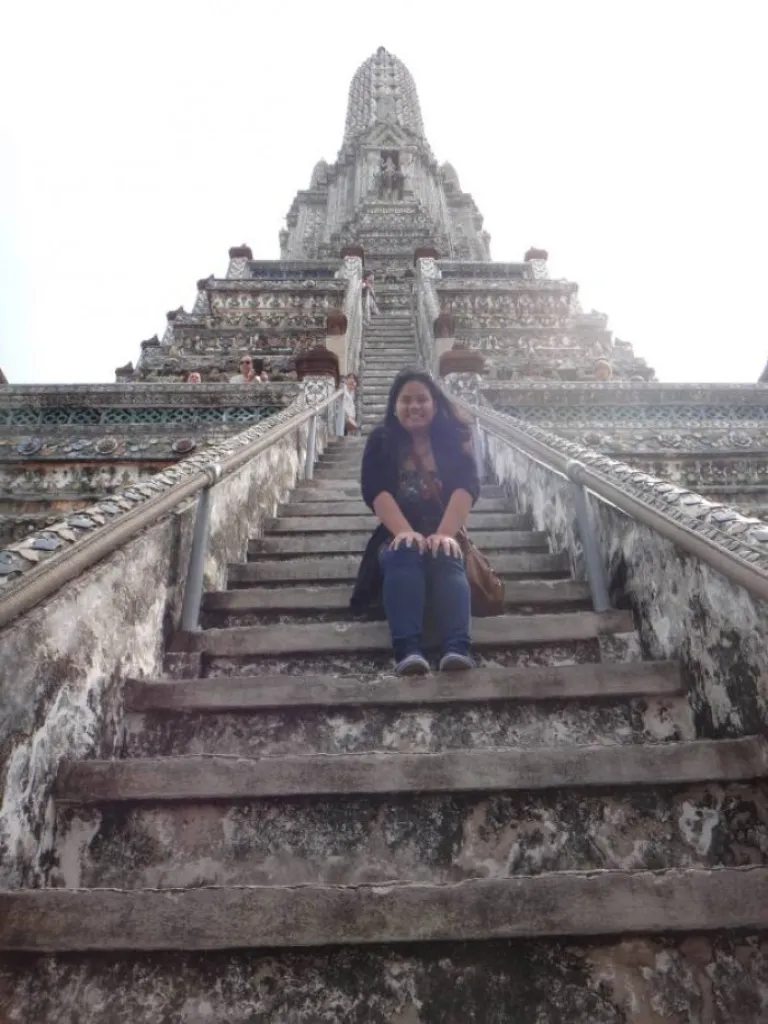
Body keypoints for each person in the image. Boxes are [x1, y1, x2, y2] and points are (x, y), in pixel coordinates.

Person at [351, 368, 479, 675]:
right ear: (394, 406)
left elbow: (466, 487)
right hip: (395, 532)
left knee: (446, 551)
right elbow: (376, 491)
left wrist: (445, 534)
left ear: (435, 403)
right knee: (404, 551)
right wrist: (406, 533)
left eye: (422, 399)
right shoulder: (382, 441)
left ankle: (456, 648)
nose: (414, 406)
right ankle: (407, 651)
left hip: (443, 525)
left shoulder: (453, 440)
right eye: (405, 400)